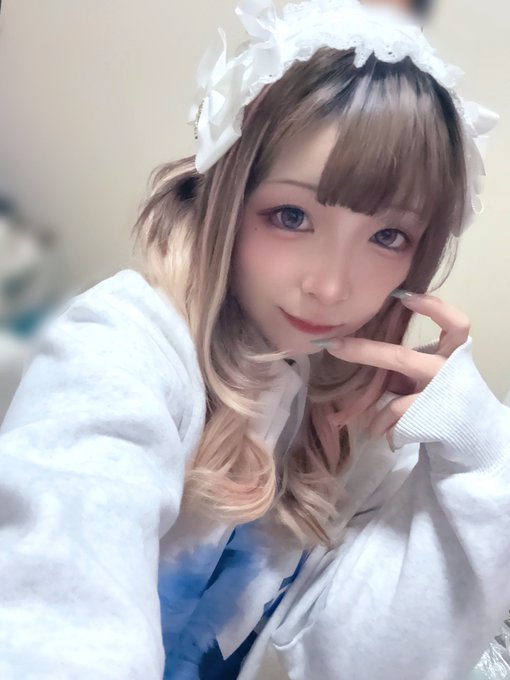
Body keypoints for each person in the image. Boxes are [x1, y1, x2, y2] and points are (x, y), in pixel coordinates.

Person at [0, 0, 507, 678]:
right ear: (228, 199)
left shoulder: (347, 413)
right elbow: (53, 596)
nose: (330, 287)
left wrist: (480, 465)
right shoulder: (122, 346)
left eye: (389, 236)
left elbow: (361, 662)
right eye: (291, 215)